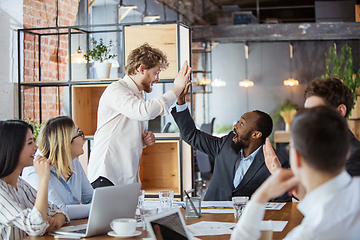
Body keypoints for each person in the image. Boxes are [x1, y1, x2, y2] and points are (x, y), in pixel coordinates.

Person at [231, 106, 360, 240]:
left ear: (296, 158)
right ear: (347, 153)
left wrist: (260, 196)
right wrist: (304, 196)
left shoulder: (308, 234)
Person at [87, 43, 191, 188]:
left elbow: (127, 127)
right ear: (141, 69)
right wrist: (178, 87)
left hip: (124, 177)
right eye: (156, 72)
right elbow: (144, 112)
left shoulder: (138, 94)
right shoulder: (116, 90)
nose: (157, 78)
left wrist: (142, 140)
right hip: (107, 174)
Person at [171, 84, 290, 201]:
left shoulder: (276, 162)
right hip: (213, 215)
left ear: (256, 134)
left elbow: (282, 204)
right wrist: (181, 101)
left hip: (247, 219)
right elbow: (192, 135)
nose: (235, 126)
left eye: (242, 123)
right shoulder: (227, 144)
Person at [266, 77, 360, 177]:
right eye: (307, 112)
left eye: (315, 111)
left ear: (340, 111)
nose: (307, 119)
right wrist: (278, 172)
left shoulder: (355, 156)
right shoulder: (312, 149)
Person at [0, 120, 69, 239]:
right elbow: (36, 226)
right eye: (30, 142)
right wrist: (43, 178)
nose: (36, 147)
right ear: (13, 147)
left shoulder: (20, 184)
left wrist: (54, 222)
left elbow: (59, 211)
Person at [22, 116, 93, 220]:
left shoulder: (74, 163)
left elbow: (91, 198)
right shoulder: (35, 170)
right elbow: (58, 210)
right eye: (79, 133)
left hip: (72, 227)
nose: (83, 137)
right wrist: (93, 208)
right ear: (66, 143)